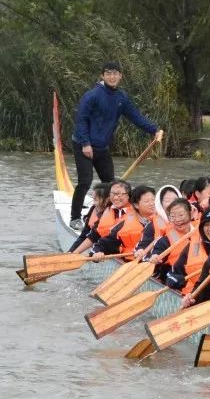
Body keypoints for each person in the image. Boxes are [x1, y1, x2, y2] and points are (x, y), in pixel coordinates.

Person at [69, 61, 163, 230]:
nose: (112, 77)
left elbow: (136, 117)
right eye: (108, 73)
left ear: (120, 76)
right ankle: (75, 217)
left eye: (115, 73)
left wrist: (155, 129)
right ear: (103, 76)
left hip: (102, 147)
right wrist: (85, 143)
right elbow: (81, 120)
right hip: (84, 145)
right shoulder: (92, 95)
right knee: (85, 181)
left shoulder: (121, 98)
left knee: (112, 184)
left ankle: (108, 216)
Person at [166, 205, 210, 292]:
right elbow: (173, 273)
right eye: (207, 225)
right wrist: (174, 280)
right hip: (195, 298)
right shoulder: (194, 247)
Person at [89, 184, 157, 256]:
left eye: (153, 200)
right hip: (133, 260)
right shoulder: (122, 225)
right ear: (136, 205)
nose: (152, 203)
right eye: (146, 201)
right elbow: (103, 244)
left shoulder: (164, 219)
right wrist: (96, 252)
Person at [72, 179, 132, 254]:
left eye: (120, 194)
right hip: (109, 250)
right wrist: (74, 253)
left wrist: (96, 250)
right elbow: (94, 235)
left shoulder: (137, 212)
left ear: (128, 195)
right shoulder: (108, 211)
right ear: (109, 196)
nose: (116, 198)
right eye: (113, 194)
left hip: (133, 255)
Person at [67, 182, 110, 252]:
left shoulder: (113, 213)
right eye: (93, 199)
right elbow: (84, 235)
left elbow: (94, 236)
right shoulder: (93, 209)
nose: (93, 203)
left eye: (95, 200)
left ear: (107, 199)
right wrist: (71, 252)